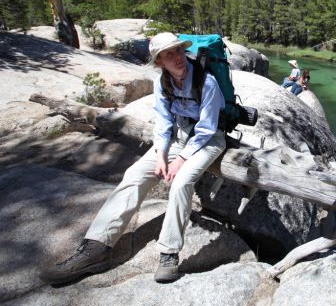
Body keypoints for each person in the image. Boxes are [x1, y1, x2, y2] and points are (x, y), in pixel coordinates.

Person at [39, 32, 226, 284]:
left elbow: (206, 128)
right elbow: (163, 122)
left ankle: (169, 253)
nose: (177, 58)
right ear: (159, 61)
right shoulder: (163, 83)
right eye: (168, 54)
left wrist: (180, 159)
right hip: (176, 137)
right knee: (134, 174)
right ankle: (96, 247)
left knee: (181, 183)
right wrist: (161, 155)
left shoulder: (207, 82)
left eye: (179, 51)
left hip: (209, 138)